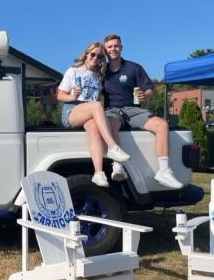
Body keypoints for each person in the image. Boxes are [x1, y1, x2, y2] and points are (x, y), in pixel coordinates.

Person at [102, 34, 183, 189]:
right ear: (106, 49)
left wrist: (143, 95)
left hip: (132, 109)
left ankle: (164, 172)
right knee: (111, 124)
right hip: (112, 110)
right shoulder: (102, 70)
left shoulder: (134, 67)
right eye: (110, 46)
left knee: (162, 125)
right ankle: (118, 165)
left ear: (121, 47)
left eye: (116, 46)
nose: (113, 49)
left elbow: (149, 89)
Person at [57, 42, 130, 187]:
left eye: (99, 56)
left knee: (95, 129)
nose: (95, 58)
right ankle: (113, 148)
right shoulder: (73, 71)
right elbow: (60, 95)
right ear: (86, 54)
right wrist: (72, 97)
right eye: (93, 54)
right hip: (72, 110)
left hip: (89, 113)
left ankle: (98, 173)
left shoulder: (97, 77)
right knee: (97, 106)